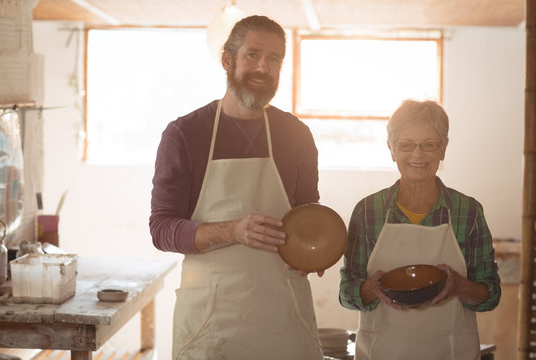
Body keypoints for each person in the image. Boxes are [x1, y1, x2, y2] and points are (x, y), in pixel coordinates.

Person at [149, 15, 323, 360]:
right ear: (227, 60)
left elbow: (309, 217)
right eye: (253, 55)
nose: (264, 67)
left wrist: (314, 252)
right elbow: (162, 229)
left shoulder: (296, 134)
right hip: (210, 322)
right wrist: (232, 230)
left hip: (283, 316)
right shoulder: (184, 135)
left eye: (274, 59)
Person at [339, 99, 501, 360]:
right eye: (406, 145)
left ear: (443, 149)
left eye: (429, 145)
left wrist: (459, 286)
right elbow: (346, 292)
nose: (417, 155)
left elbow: (491, 295)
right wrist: (373, 289)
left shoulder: (468, 211)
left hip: (451, 352)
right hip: (382, 352)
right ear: (392, 150)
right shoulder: (367, 211)